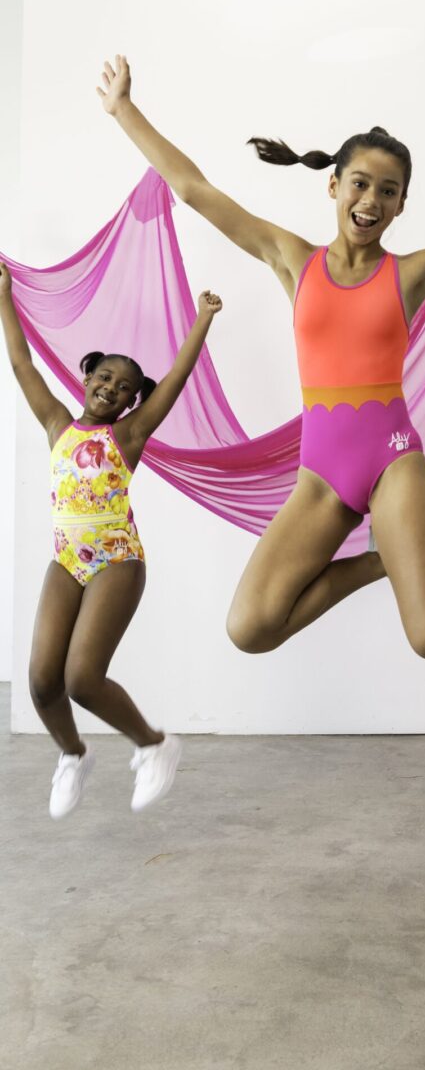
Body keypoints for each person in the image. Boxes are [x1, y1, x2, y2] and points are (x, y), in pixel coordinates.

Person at [98, 54, 425, 660]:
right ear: (334, 184)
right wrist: (123, 110)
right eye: (361, 183)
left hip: (392, 459)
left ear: (401, 204)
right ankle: (380, 561)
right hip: (322, 472)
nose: (372, 200)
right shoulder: (291, 258)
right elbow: (194, 190)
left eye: (389, 190)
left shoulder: (413, 273)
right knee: (251, 628)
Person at [0, 259, 222, 816]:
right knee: (43, 680)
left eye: (124, 388)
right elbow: (22, 361)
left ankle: (155, 745)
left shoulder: (129, 435)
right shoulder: (56, 424)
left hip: (117, 561)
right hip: (67, 561)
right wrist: (5, 294)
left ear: (130, 403)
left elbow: (173, 382)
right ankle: (73, 755)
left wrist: (203, 320)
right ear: (87, 376)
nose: (111, 389)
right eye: (104, 377)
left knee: (81, 677)